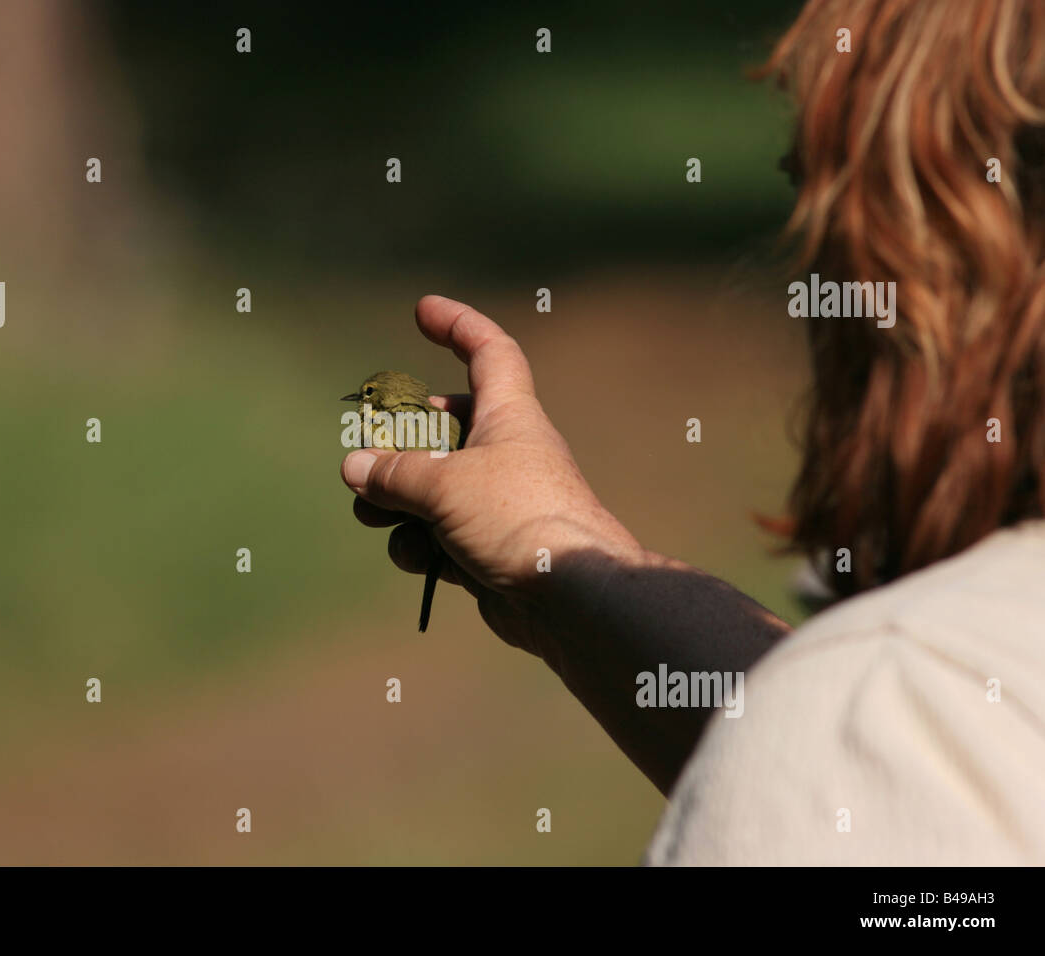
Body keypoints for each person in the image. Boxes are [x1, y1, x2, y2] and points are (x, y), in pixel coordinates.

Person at [340, 0, 1045, 864]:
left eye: (819, 208)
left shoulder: (880, 722)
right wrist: (553, 553)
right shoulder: (907, 715)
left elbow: (871, 764)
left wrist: (828, 723)